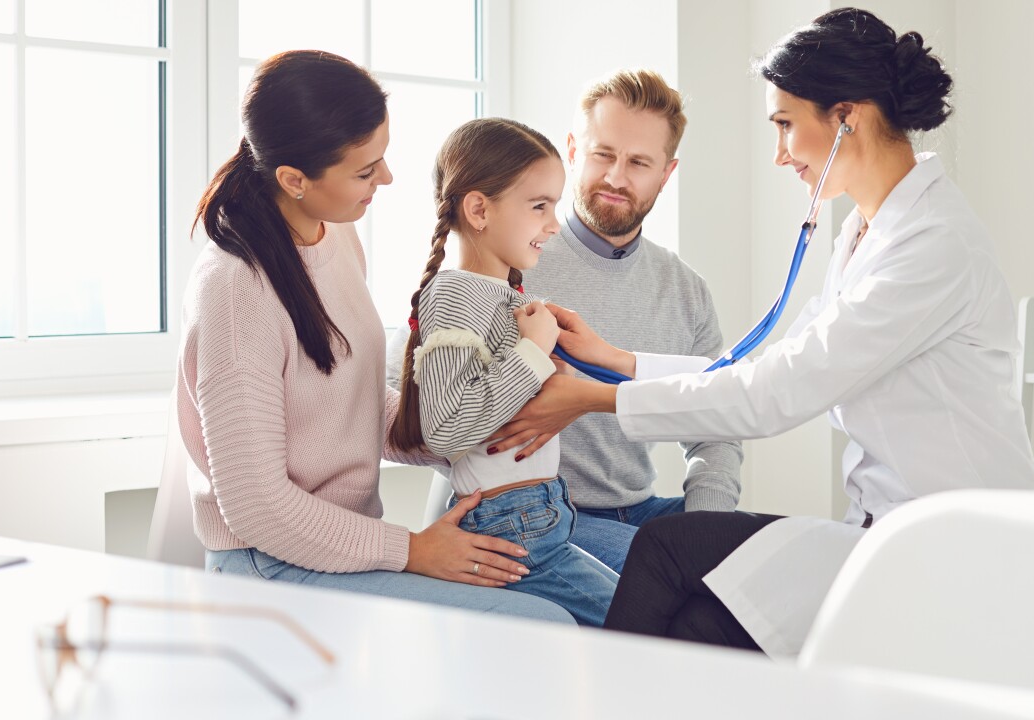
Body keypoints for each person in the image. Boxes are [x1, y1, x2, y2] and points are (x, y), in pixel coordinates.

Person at [488, 8, 1034, 656]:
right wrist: (618, 360)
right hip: (885, 532)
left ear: (846, 118)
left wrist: (597, 395)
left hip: (954, 546)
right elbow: (766, 365)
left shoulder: (932, 246)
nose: (779, 155)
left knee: (671, 555)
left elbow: (776, 391)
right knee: (694, 613)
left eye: (785, 125)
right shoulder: (870, 232)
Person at [179, 50, 572, 625]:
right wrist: (411, 549)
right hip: (269, 565)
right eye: (365, 171)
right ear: (293, 180)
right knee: (546, 624)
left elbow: (351, 403)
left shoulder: (335, 238)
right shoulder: (236, 293)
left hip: (341, 548)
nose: (386, 178)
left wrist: (476, 420)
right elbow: (257, 508)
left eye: (382, 158)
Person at [387, 69, 743, 573]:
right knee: (679, 591)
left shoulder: (686, 290)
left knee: (764, 557)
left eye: (639, 162)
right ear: (574, 150)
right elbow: (408, 400)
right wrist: (489, 442)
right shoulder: (506, 257)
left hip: (644, 509)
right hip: (537, 515)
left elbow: (717, 425)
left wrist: (703, 528)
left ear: (667, 172)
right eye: (603, 154)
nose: (617, 177)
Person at [389, 117, 619, 627]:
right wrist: (533, 355)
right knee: (642, 625)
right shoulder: (453, 294)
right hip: (513, 524)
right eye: (539, 206)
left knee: (639, 616)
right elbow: (447, 428)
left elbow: (503, 405)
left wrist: (550, 367)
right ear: (478, 209)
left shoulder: (503, 297)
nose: (555, 224)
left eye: (554, 206)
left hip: (541, 514)